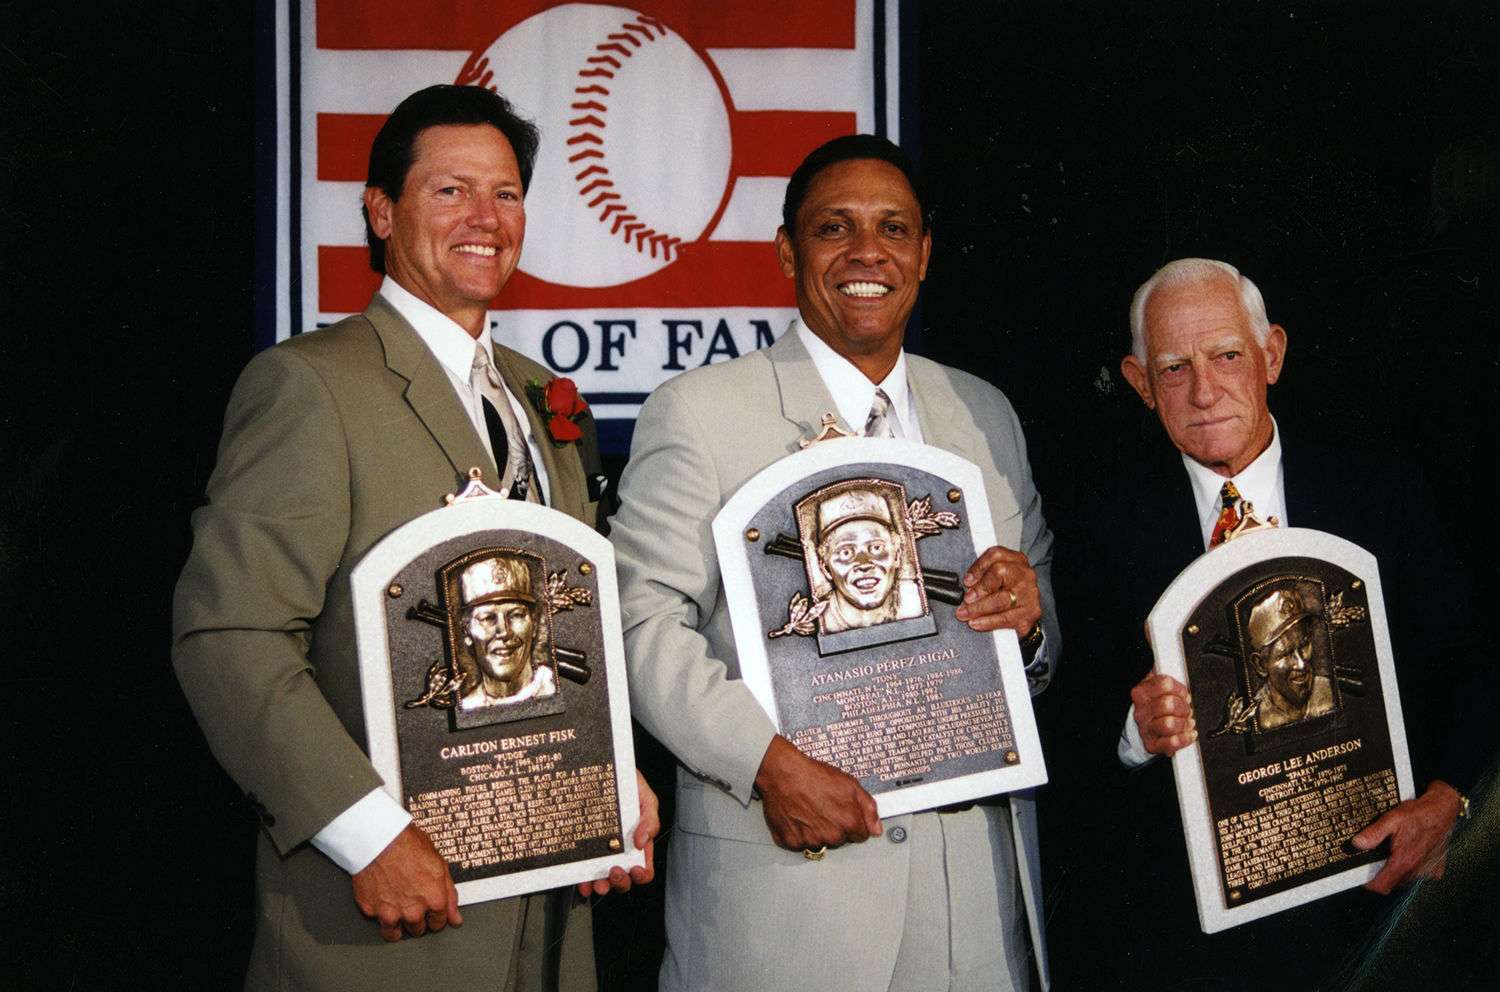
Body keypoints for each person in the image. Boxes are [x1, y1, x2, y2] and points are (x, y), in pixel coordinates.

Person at [172, 85, 656, 991]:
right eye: (451, 191)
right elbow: (228, 638)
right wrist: (365, 831)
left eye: (506, 194)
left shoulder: (540, 393)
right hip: (380, 923)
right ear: (382, 210)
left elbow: (560, 633)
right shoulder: (311, 385)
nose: (486, 218)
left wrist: (611, 778)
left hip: (549, 924)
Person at [609, 134, 1058, 992]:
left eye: (894, 229)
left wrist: (1029, 626)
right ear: (786, 251)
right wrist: (766, 764)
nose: (867, 253)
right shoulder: (700, 412)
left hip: (981, 900)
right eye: (833, 229)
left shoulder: (984, 414)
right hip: (791, 900)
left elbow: (1041, 643)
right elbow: (637, 620)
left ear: (924, 254)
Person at [1049, 257, 1482, 990]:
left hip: (1375, 909)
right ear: (1139, 383)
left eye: (1225, 356)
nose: (1205, 390)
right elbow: (1070, 720)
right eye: (1174, 368)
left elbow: (1472, 668)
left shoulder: (1382, 495)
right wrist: (1133, 732)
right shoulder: (1099, 526)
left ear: (1271, 355)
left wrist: (1449, 799)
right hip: (1195, 944)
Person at [810, 486, 920, 632]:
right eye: (846, 552)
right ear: (825, 568)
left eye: (876, 548)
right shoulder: (819, 619)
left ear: (897, 555)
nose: (864, 564)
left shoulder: (915, 603)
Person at [456, 555, 556, 709]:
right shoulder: (468, 706)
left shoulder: (551, 687)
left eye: (516, 615)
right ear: (467, 633)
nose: (504, 632)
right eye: (487, 618)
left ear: (534, 624)